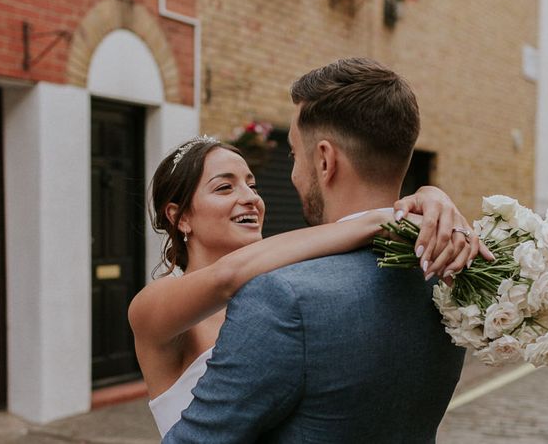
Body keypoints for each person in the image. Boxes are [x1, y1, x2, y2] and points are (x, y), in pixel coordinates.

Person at [159, 58, 480, 443]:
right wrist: (421, 200)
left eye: (293, 156)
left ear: (325, 160)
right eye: (225, 187)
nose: (252, 198)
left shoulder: (281, 297)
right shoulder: (448, 278)